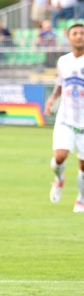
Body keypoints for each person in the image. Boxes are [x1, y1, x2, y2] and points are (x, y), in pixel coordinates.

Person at [45, 23, 84, 212]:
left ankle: (81, 199)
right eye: (75, 33)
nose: (79, 36)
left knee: (83, 166)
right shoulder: (63, 61)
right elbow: (60, 84)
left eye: (82, 33)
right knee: (59, 157)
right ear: (69, 38)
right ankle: (59, 179)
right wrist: (52, 98)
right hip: (66, 119)